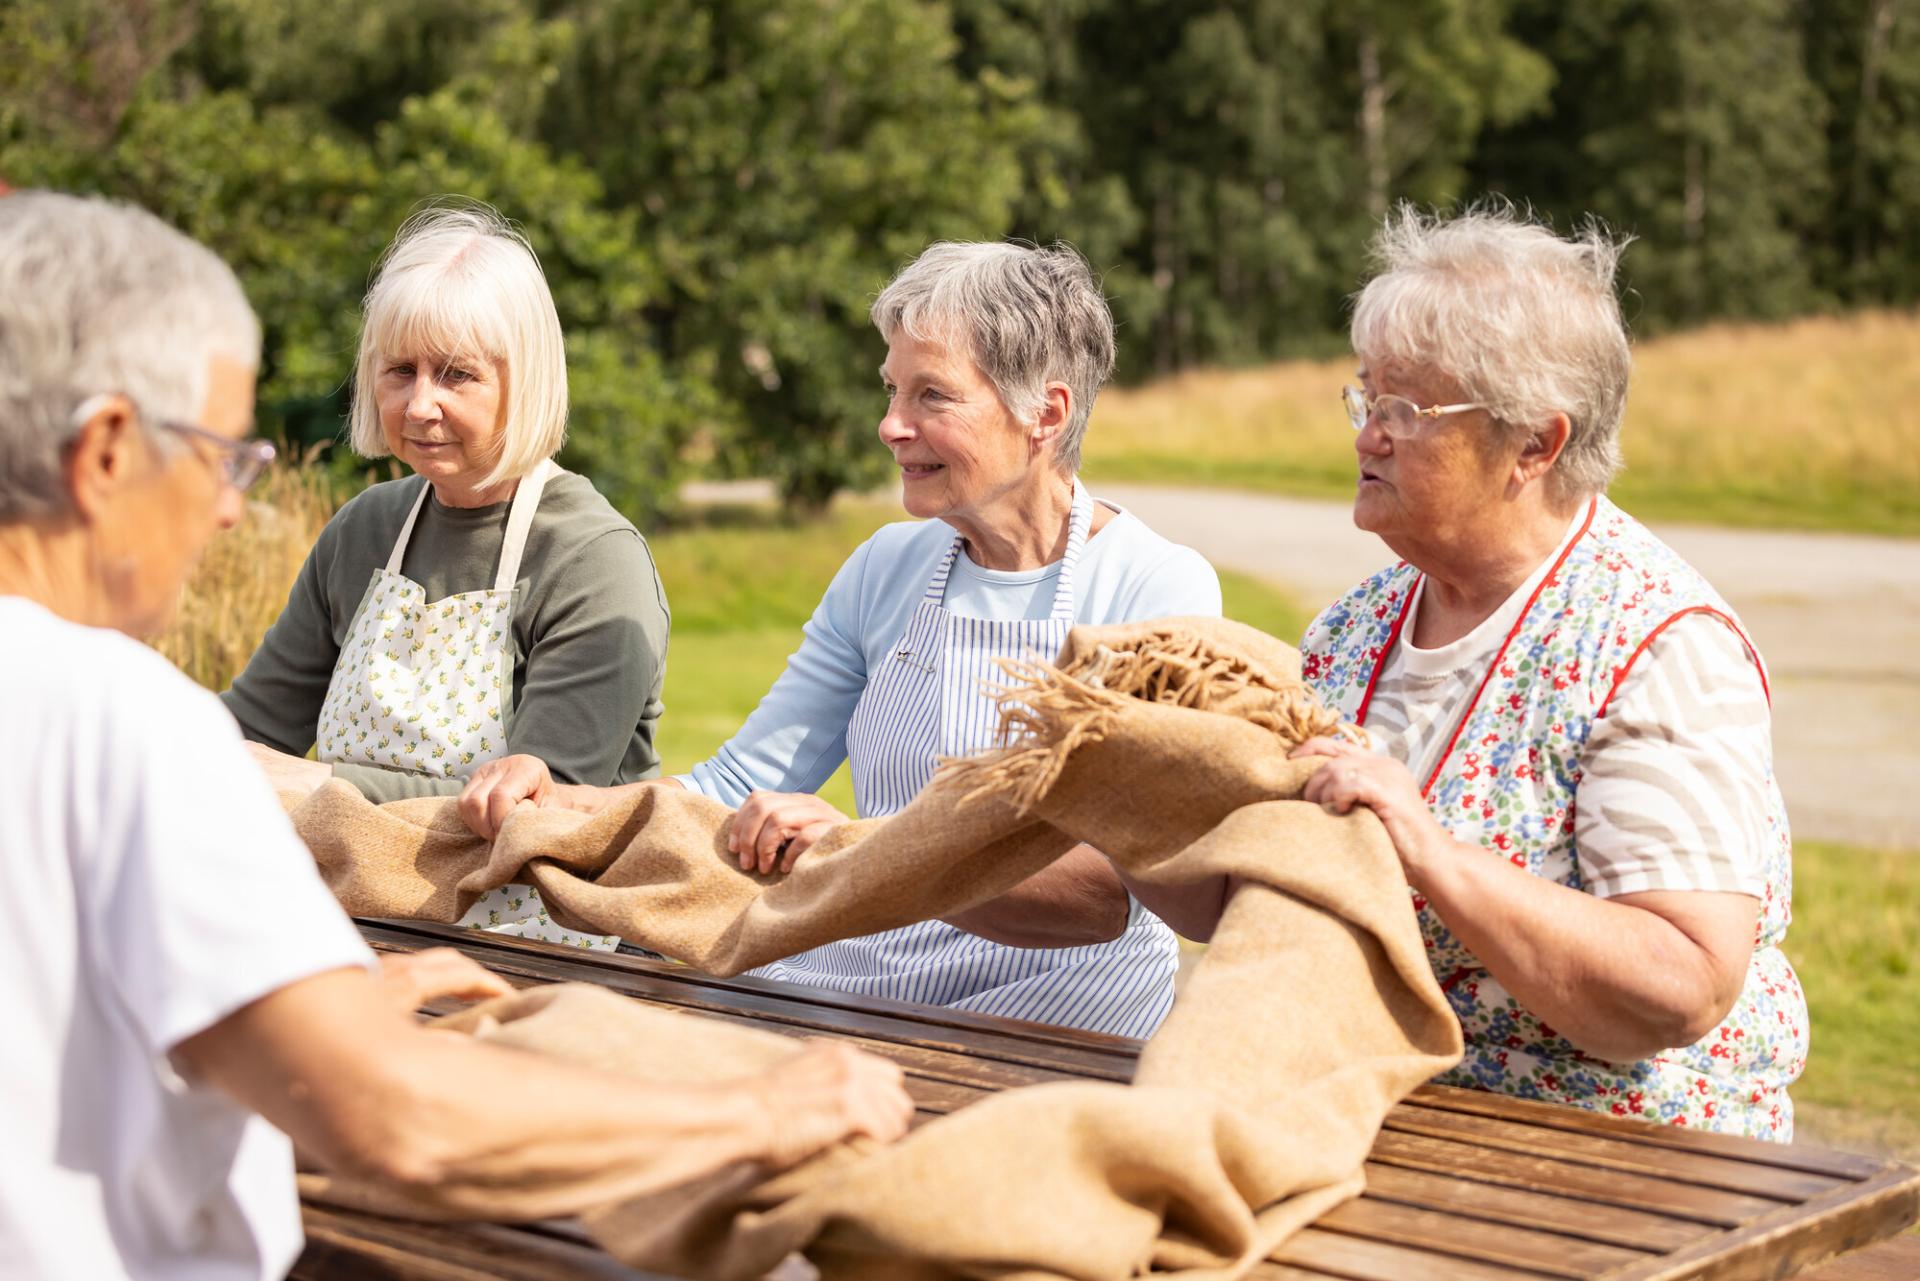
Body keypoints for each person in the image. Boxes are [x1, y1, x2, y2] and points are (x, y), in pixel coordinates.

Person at [0, 190, 912, 1281]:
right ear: (106, 450)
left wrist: (302, 991)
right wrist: (758, 1111)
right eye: (217, 457)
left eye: (458, 374)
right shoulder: (134, 729)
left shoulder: (589, 554)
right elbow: (403, 1124)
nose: (232, 508)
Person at [1138, 206, 1807, 1139]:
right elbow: (1242, 903)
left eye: (1406, 410)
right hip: (1396, 1116)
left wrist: (1432, 850)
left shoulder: (1656, 643)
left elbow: (1681, 982)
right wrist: (1132, 802)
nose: (1369, 435)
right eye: (1366, 399)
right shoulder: (1358, 626)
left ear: (1535, 442)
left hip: (1627, 1157)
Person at [461, 241, 1221, 1038]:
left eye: (933, 395)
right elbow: (737, 779)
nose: (891, 425)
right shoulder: (887, 566)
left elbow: (1102, 895)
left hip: (1054, 1016)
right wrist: (560, 799)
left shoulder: (1154, 589)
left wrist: (864, 849)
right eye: (892, 389)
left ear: (1047, 413)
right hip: (860, 973)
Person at [222, 203, 670, 950]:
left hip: (546, 947)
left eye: (456, 374)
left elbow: (538, 815)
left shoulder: (593, 557)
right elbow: (250, 728)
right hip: (355, 919)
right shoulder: (364, 528)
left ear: (522, 380)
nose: (420, 403)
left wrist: (322, 788)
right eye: (400, 371)